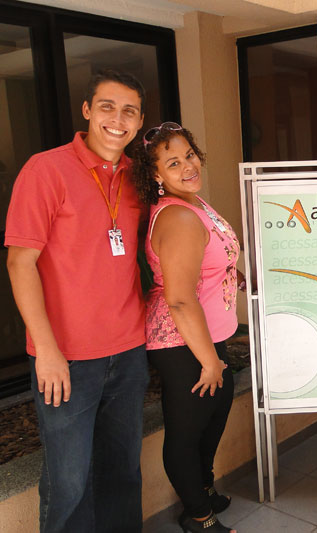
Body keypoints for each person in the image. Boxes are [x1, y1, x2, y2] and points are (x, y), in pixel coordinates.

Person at [5, 70, 148, 532]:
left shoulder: (138, 176)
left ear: (139, 121)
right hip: (66, 356)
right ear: (87, 111)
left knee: (122, 471)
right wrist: (47, 351)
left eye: (129, 111)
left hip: (128, 350)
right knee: (68, 482)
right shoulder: (45, 170)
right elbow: (20, 263)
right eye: (107, 107)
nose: (117, 119)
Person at [132, 122, 244, 533]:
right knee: (187, 430)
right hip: (181, 341)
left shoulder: (193, 202)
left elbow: (208, 257)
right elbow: (179, 298)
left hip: (208, 334)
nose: (187, 166)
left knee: (213, 416)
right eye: (173, 163)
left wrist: (230, 273)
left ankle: (203, 488)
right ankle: (198, 516)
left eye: (189, 155)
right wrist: (209, 362)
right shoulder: (177, 216)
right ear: (156, 174)